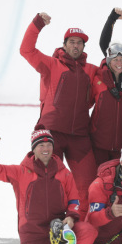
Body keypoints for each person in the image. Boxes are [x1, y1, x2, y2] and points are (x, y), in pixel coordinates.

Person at [0, 127, 97, 244]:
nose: (46, 149)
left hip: (58, 228)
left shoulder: (64, 173)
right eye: (40, 145)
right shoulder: (20, 172)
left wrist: (70, 217)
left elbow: (74, 199)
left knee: (87, 230)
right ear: (33, 148)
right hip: (33, 232)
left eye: (49, 145)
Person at [20, 12, 99, 218]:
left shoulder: (91, 70)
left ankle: (80, 224)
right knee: (49, 182)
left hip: (79, 135)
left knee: (88, 185)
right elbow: (26, 50)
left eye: (80, 43)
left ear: (83, 47)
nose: (76, 46)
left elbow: (114, 74)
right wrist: (37, 24)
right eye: (72, 42)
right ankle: (51, 224)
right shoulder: (51, 65)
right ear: (64, 45)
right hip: (51, 133)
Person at [90, 42, 122, 167]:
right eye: (115, 60)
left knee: (118, 181)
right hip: (99, 142)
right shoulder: (98, 79)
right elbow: (86, 104)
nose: (119, 63)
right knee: (99, 178)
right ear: (109, 61)